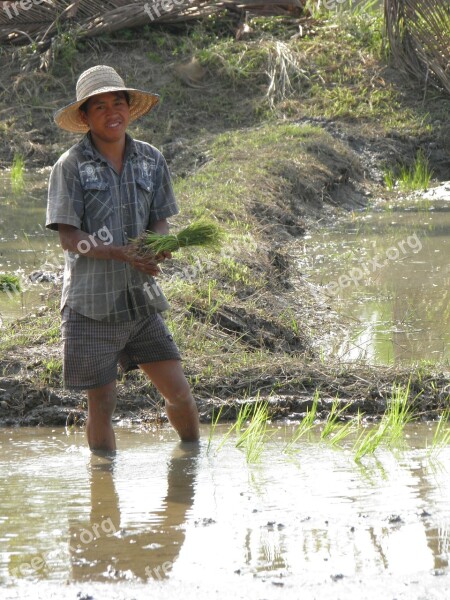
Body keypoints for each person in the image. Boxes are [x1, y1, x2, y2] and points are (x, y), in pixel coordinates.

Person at [46, 65, 200, 451]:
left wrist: (155, 246)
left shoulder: (150, 159)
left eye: (118, 103)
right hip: (91, 306)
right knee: (102, 403)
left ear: (130, 108)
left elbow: (160, 221)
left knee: (179, 392)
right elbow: (69, 239)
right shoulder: (70, 166)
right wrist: (119, 252)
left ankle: (192, 464)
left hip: (140, 301)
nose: (112, 112)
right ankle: (104, 492)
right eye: (99, 107)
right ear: (84, 117)